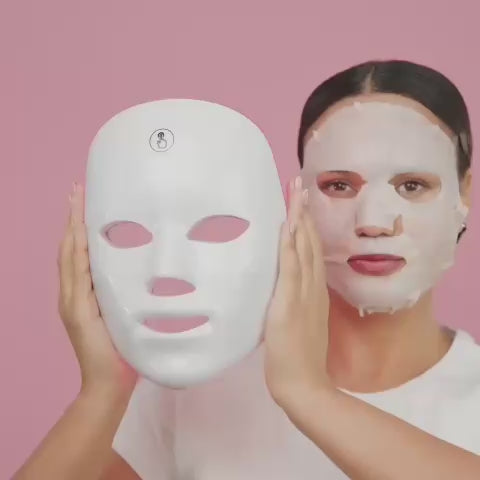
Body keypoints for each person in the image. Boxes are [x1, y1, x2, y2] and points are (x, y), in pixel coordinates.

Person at [13, 59, 480, 480]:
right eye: (339, 185)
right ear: (295, 199)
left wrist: (308, 394)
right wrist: (102, 393)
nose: (373, 222)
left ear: (464, 193)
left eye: (412, 185)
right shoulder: (193, 391)